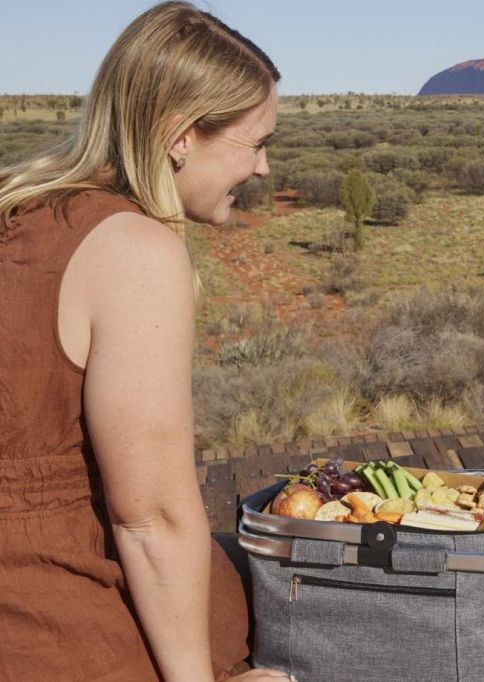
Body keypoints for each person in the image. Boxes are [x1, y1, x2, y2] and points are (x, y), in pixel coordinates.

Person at [0, 3, 291, 680]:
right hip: (53, 618)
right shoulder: (134, 249)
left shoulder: (19, 207)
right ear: (181, 135)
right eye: (255, 143)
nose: (263, 169)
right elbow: (150, 519)